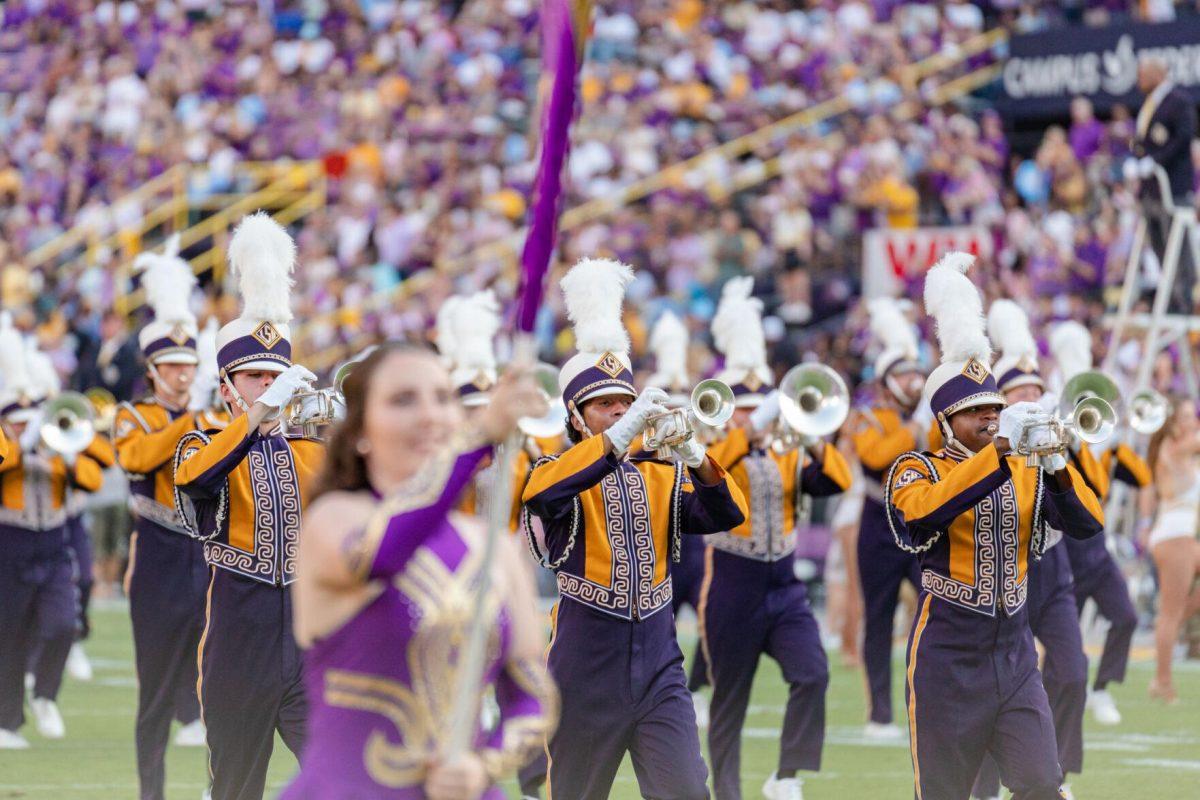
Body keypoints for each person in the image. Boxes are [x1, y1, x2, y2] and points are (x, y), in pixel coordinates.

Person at [281, 342, 558, 799]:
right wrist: (480, 434)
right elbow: (383, 555)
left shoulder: (496, 548)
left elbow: (532, 695)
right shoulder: (332, 521)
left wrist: (482, 764)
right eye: (403, 400)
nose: (430, 415)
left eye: (443, 398)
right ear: (358, 431)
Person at [521, 257, 747, 799]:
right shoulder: (556, 469)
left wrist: (695, 455)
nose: (619, 411)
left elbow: (728, 515)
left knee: (689, 791)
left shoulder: (661, 469)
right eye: (604, 405)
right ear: (576, 416)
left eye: (625, 401)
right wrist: (621, 435)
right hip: (584, 657)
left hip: (659, 656)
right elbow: (540, 494)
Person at [887, 252, 1104, 800]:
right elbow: (926, 511)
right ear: (945, 421)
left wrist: (1055, 463)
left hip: (1015, 652)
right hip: (946, 656)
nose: (988, 418)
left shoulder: (1024, 468)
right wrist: (1002, 448)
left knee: (1041, 787)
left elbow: (1088, 523)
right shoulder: (917, 468)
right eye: (974, 411)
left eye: (993, 408)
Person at [174, 213, 325, 800]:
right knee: (236, 787)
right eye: (254, 377)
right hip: (240, 632)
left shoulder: (314, 451)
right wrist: (258, 420)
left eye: (275, 376)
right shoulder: (202, 445)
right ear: (227, 386)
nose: (268, 386)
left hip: (309, 632)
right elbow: (195, 483)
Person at [701, 277, 852, 800]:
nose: (752, 413)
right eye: (742, 407)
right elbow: (714, 471)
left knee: (812, 673)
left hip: (784, 584)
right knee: (730, 701)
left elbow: (837, 480)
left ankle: (786, 774)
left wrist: (810, 439)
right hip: (734, 584)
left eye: (757, 405)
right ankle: (726, 791)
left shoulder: (789, 449)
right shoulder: (716, 447)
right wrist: (745, 432)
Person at [968, 300, 1095, 800]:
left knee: (1071, 670)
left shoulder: (1056, 440)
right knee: (986, 687)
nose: (1032, 399)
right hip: (1002, 573)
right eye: (1019, 392)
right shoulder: (988, 448)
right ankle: (984, 786)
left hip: (1052, 569)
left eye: (1037, 391)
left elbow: (1090, 507)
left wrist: (1068, 455)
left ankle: (1050, 774)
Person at [113, 236, 224, 800]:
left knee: (218, 686)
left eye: (189, 365)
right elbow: (138, 457)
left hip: (205, 553)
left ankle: (217, 787)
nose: (183, 375)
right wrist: (192, 420)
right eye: (172, 367)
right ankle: (151, 793)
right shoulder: (135, 414)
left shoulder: (210, 414)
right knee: (155, 692)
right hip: (157, 554)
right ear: (154, 370)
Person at [0, 321, 103, 748]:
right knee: (9, 634)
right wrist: (18, 447)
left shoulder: (60, 445)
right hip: (11, 543)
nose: (28, 428)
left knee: (63, 624)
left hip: (54, 543)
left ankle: (45, 695)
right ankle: (6, 722)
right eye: (18, 421)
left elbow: (95, 478)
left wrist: (63, 457)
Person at [1052, 321, 1146, 726]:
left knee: (1125, 617)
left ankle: (1102, 688)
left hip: (1098, 553)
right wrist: (1073, 440)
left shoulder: (1104, 451)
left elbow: (1141, 478)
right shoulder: (1062, 449)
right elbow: (1082, 485)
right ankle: (1047, 709)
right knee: (1063, 648)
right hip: (1068, 556)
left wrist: (1117, 441)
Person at [850, 296, 927, 739]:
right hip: (878, 522)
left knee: (933, 612)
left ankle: (926, 702)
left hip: (917, 522)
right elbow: (877, 455)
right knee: (878, 618)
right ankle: (880, 714)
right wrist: (912, 426)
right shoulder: (867, 417)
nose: (914, 380)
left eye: (916, 372)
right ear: (885, 381)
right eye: (904, 374)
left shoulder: (923, 417)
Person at [645, 310, 712, 724]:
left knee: (711, 617)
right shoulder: (644, 427)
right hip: (657, 534)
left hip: (694, 534)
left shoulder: (699, 419)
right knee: (656, 622)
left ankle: (698, 687)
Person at [1145, 396, 1200, 705]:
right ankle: (1162, 682)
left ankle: (1172, 628)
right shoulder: (1175, 448)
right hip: (1173, 539)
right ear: (1175, 423)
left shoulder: (1186, 452)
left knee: (1173, 614)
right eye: (1188, 416)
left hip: (1185, 539)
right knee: (1170, 613)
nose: (1194, 421)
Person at [1133, 58, 1198, 312]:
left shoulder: (1179, 101)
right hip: (1150, 189)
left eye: (1142, 74)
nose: (1138, 80)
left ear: (1157, 74)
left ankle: (1185, 298)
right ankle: (1170, 296)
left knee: (1178, 245)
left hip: (1173, 188)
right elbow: (1143, 140)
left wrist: (1155, 161)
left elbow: (1183, 138)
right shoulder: (1149, 104)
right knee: (1158, 244)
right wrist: (1136, 160)